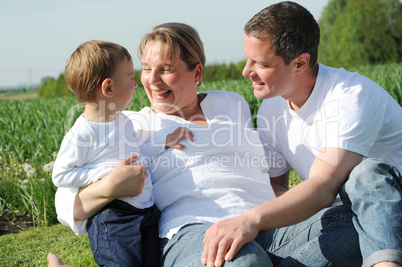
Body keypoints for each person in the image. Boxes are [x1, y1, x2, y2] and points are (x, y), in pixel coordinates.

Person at [49, 22, 365, 267]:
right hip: (194, 231)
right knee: (244, 260)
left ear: (197, 71)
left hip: (266, 224)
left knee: (355, 228)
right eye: (146, 69)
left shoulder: (232, 104)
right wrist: (109, 188)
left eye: (166, 70)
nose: (152, 80)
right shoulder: (132, 124)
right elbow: (65, 201)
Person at [202, 2, 402, 267]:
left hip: (387, 210)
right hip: (337, 217)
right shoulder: (271, 109)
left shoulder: (351, 98)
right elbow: (276, 188)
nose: (246, 71)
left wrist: (250, 219)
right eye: (247, 59)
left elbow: (322, 188)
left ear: (300, 63)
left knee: (364, 175)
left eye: (260, 63)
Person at [52, 40, 192, 267]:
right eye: (130, 79)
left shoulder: (122, 121)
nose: (136, 85)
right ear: (108, 88)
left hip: (145, 210)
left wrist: (163, 141)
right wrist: (107, 176)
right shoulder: (83, 133)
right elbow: (61, 175)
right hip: (113, 216)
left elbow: (137, 152)